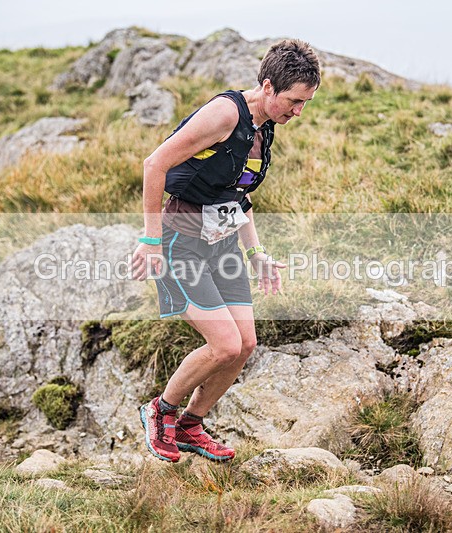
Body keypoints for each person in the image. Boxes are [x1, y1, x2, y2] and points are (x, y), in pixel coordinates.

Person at [129, 39, 321, 462]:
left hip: (224, 245)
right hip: (182, 240)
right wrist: (150, 240)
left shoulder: (264, 125)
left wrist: (257, 255)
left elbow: (238, 196)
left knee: (246, 343)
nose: (298, 112)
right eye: (293, 101)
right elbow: (153, 165)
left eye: (305, 104)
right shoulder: (225, 113)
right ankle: (159, 411)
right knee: (224, 346)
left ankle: (190, 425)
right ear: (268, 86)